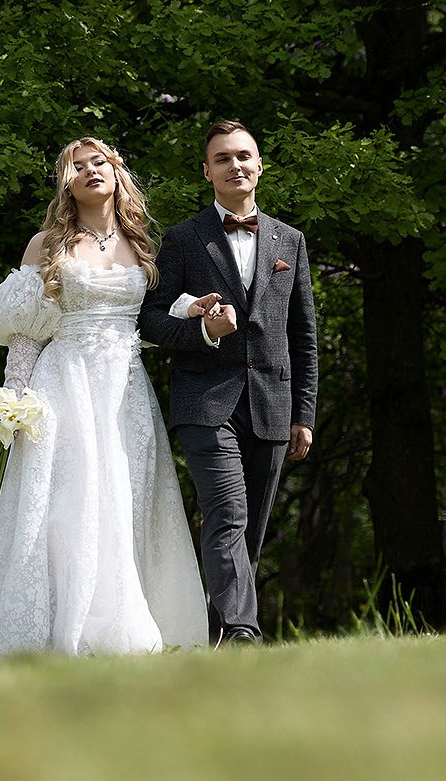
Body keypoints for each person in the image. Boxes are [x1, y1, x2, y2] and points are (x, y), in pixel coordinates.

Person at [0, 137, 208, 663]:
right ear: (66, 182)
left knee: (124, 499)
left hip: (125, 390)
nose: (91, 171)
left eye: (101, 162)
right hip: (65, 384)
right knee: (69, 505)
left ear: (117, 174)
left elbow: (152, 316)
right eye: (79, 166)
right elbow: (27, 332)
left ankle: (118, 627)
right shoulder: (46, 244)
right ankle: (60, 628)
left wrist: (192, 314)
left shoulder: (142, 243)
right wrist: (16, 402)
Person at [139, 119, 318, 645]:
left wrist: (303, 413)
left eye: (244, 156)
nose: (235, 165)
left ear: (259, 165)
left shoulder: (292, 240)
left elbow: (303, 335)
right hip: (204, 402)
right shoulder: (184, 239)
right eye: (222, 158)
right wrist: (204, 330)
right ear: (207, 172)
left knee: (252, 529)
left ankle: (218, 631)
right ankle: (242, 632)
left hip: (272, 403)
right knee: (228, 512)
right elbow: (149, 318)